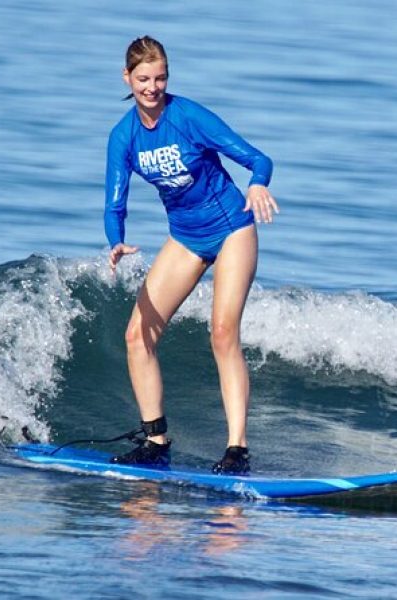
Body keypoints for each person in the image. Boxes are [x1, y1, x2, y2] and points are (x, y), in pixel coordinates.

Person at [104, 36, 278, 474]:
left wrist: (257, 183)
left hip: (232, 228)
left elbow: (257, 158)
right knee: (137, 335)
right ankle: (156, 440)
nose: (153, 86)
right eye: (143, 78)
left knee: (222, 333)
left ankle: (237, 449)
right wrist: (117, 240)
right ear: (127, 78)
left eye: (160, 77)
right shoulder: (123, 136)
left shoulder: (188, 117)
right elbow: (115, 203)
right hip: (184, 236)